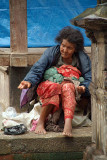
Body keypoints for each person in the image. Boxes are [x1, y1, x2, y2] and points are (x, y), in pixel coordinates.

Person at [18, 26, 91, 137]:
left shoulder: (82, 58)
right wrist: (29, 81)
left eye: (69, 48)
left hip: (71, 92)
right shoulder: (51, 52)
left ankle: (68, 125)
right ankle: (41, 122)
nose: (65, 50)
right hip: (49, 89)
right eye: (63, 45)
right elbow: (38, 68)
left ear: (75, 49)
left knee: (68, 86)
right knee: (55, 86)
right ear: (60, 43)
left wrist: (84, 88)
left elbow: (89, 78)